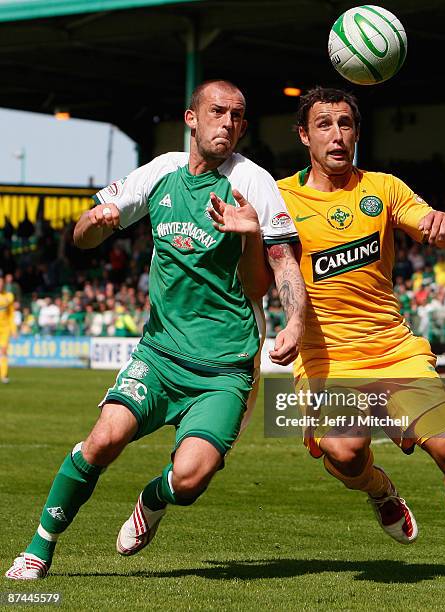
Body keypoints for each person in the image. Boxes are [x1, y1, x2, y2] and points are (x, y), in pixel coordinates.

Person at [6, 79, 306, 580]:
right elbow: (83, 234)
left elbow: (278, 269)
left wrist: (291, 311)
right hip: (160, 355)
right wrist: (96, 223)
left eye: (237, 116)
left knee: (190, 480)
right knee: (102, 441)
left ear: (244, 126)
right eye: (217, 112)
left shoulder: (254, 183)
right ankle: (39, 546)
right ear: (191, 119)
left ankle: (155, 496)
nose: (227, 123)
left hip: (226, 366)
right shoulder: (162, 172)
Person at [277, 86, 445, 587]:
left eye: (346, 124)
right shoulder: (280, 198)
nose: (337, 135)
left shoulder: (384, 187)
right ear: (303, 135)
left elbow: (437, 226)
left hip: (394, 350)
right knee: (347, 451)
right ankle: (381, 491)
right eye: (324, 124)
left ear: (357, 131)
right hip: (324, 359)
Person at [0, 276, 16, 383]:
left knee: (3, 351)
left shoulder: (9, 297)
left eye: (1, 283)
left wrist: (14, 330)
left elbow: (11, 315)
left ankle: (4, 375)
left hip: (4, 329)